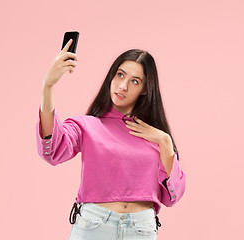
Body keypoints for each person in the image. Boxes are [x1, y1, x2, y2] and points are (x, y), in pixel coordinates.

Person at [36, 38, 187, 239]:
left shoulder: (156, 137)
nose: (123, 86)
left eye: (135, 81)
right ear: (111, 77)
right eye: (120, 75)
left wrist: (165, 142)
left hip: (141, 229)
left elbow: (172, 197)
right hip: (93, 226)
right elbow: (52, 151)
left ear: (145, 89)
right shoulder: (87, 125)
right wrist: (48, 87)